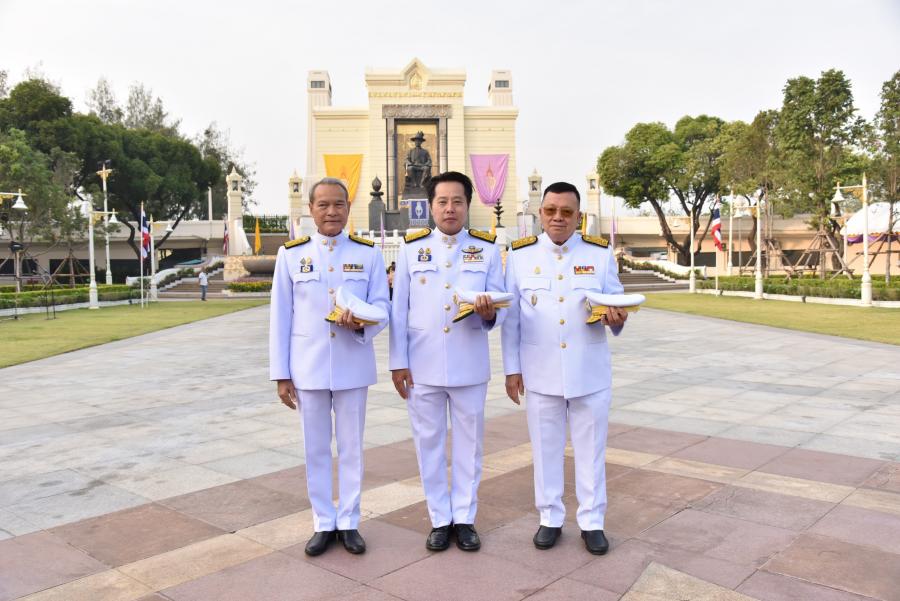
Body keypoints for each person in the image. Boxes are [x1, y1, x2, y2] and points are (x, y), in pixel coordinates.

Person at [501, 181, 628, 556]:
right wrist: (512, 370)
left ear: (578, 216)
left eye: (566, 212)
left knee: (591, 451)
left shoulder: (599, 254)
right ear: (540, 213)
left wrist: (617, 318)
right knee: (545, 450)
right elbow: (512, 320)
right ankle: (550, 517)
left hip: (589, 370)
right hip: (539, 371)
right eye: (551, 210)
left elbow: (617, 303)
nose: (558, 218)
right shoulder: (520, 255)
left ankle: (592, 521)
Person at [269, 177, 390, 557]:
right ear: (311, 210)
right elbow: (281, 317)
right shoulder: (291, 255)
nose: (331, 211)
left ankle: (349, 521)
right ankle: (323, 521)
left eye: (338, 204)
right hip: (308, 367)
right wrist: (282, 374)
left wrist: (362, 323)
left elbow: (382, 308)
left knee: (352, 448)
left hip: (353, 362)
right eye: (323, 205)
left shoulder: (368, 254)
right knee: (316, 448)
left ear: (348, 208)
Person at [389, 171, 504, 552]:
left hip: (469, 363)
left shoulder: (487, 249)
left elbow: (501, 305)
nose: (450, 208)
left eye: (457, 201)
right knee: (429, 444)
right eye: (442, 201)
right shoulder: (411, 249)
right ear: (431, 206)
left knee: (470, 446)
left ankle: (465, 518)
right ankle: (440, 519)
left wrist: (489, 312)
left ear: (468, 205)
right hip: (422, 366)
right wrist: (397, 362)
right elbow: (399, 310)